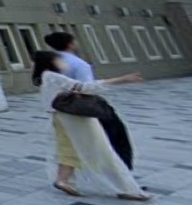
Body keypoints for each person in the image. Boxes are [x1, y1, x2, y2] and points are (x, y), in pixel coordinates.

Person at [31, 50, 149, 201]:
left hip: (60, 117)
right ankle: (125, 187)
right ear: (51, 61)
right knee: (101, 149)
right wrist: (120, 80)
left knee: (69, 148)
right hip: (74, 118)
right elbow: (84, 87)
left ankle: (62, 180)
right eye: (59, 59)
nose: (64, 62)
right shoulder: (53, 76)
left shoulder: (46, 77)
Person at [45, 31, 135, 171]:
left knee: (71, 146)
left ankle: (69, 176)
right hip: (83, 107)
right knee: (116, 139)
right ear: (70, 44)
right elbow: (87, 88)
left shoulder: (49, 62)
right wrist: (121, 80)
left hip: (61, 108)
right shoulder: (79, 64)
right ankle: (122, 172)